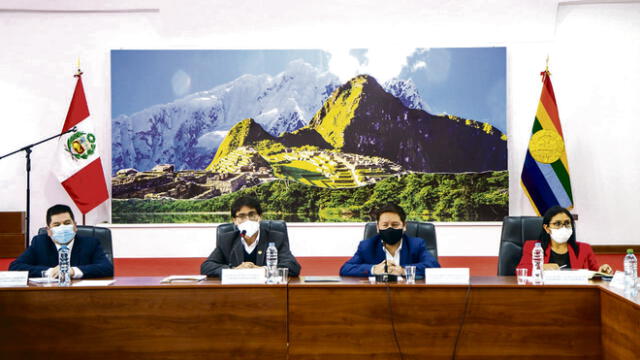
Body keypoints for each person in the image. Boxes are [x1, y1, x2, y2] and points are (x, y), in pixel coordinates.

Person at [201, 196, 301, 277]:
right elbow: (207, 267)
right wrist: (234, 270)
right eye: (242, 216)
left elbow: (293, 267)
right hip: (236, 292)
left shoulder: (275, 237)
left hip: (268, 291)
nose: (247, 220)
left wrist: (263, 270)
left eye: (252, 214)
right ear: (235, 220)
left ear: (259, 217)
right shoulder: (227, 240)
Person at [9, 204, 114, 278]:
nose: (63, 227)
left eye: (67, 223)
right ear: (49, 230)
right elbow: (15, 267)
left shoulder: (90, 243)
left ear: (75, 226)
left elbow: (107, 268)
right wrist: (49, 272)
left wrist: (73, 271)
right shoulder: (39, 243)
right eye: (57, 225)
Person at [340, 203, 440, 277]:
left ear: (404, 226)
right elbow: (345, 269)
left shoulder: (416, 244)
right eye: (385, 225)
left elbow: (434, 266)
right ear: (378, 228)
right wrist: (374, 269)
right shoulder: (367, 246)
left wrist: (403, 270)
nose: (390, 228)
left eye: (395, 225)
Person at [517, 205, 612, 274]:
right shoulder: (533, 247)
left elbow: (595, 273)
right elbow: (522, 270)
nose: (563, 227)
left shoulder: (584, 248)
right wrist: (542, 267)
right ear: (547, 228)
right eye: (557, 224)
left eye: (567, 223)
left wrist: (602, 271)